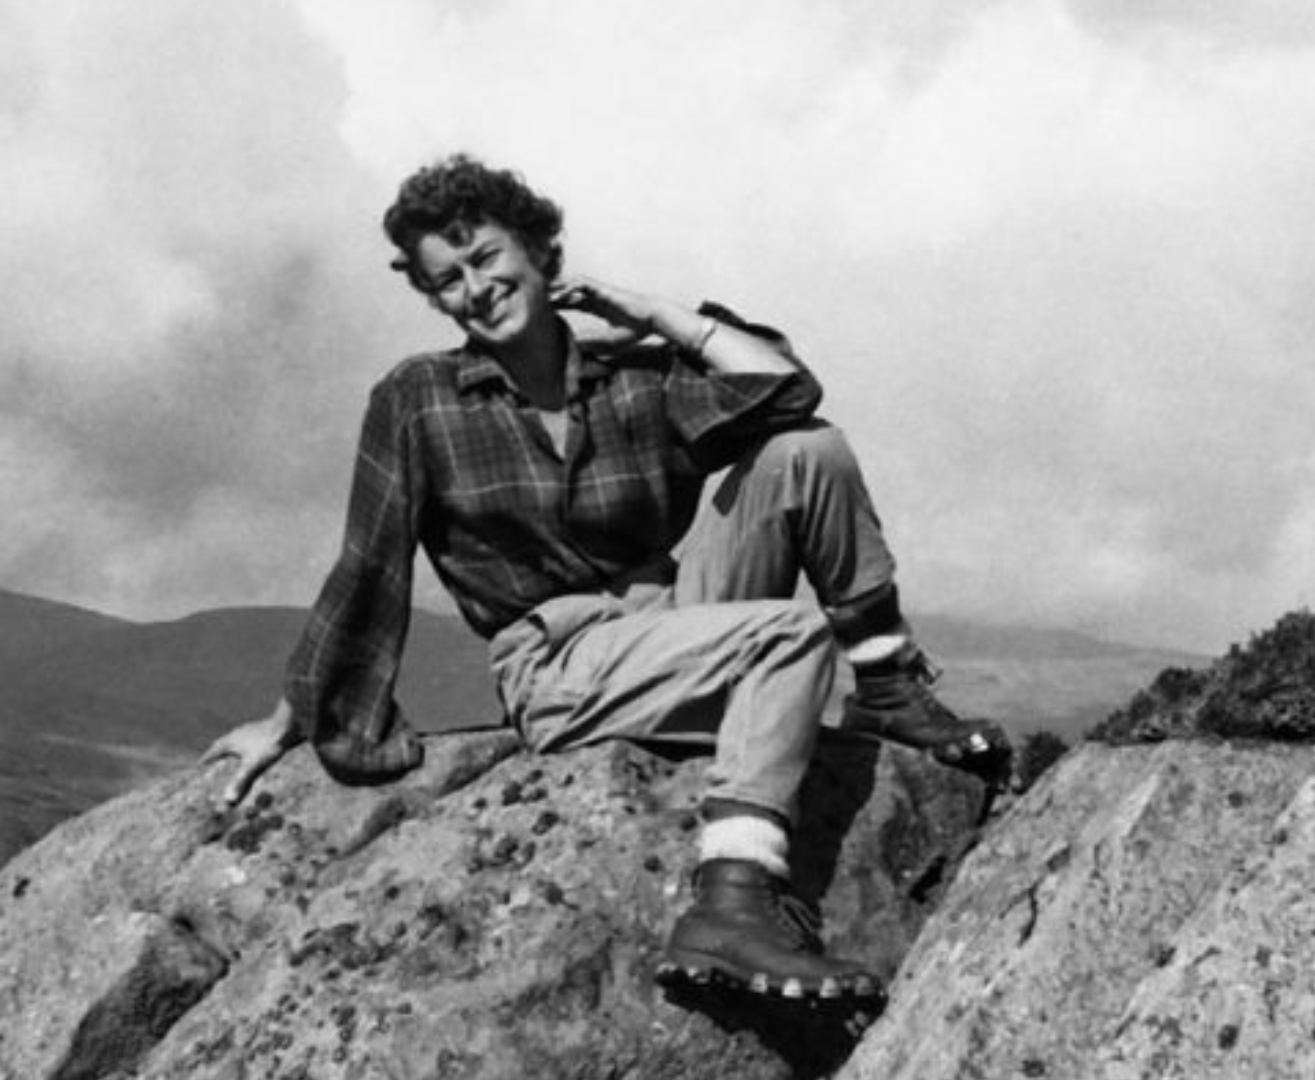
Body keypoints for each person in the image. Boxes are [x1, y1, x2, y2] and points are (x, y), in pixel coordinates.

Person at [202, 154, 1006, 1006]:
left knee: (809, 450)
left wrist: (661, 317)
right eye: (447, 280)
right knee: (790, 633)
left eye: (485, 257)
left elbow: (787, 390)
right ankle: (731, 903)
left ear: (538, 250)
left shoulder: (631, 376)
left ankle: (886, 686)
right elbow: (369, 560)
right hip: (560, 657)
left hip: (678, 617)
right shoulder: (421, 397)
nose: (475, 289)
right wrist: (290, 720)